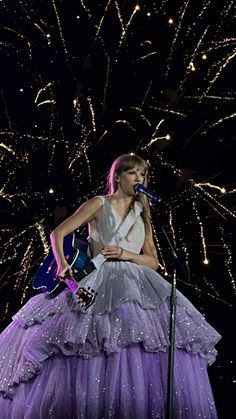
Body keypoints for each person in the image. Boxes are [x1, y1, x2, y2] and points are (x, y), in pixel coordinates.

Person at [0, 153, 221, 418]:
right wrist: (62, 264)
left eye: (143, 174)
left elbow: (152, 261)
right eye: (133, 173)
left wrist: (127, 254)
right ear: (118, 176)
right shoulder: (99, 203)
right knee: (88, 341)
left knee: (139, 341)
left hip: (137, 281)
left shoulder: (143, 211)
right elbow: (58, 233)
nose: (139, 179)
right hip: (98, 276)